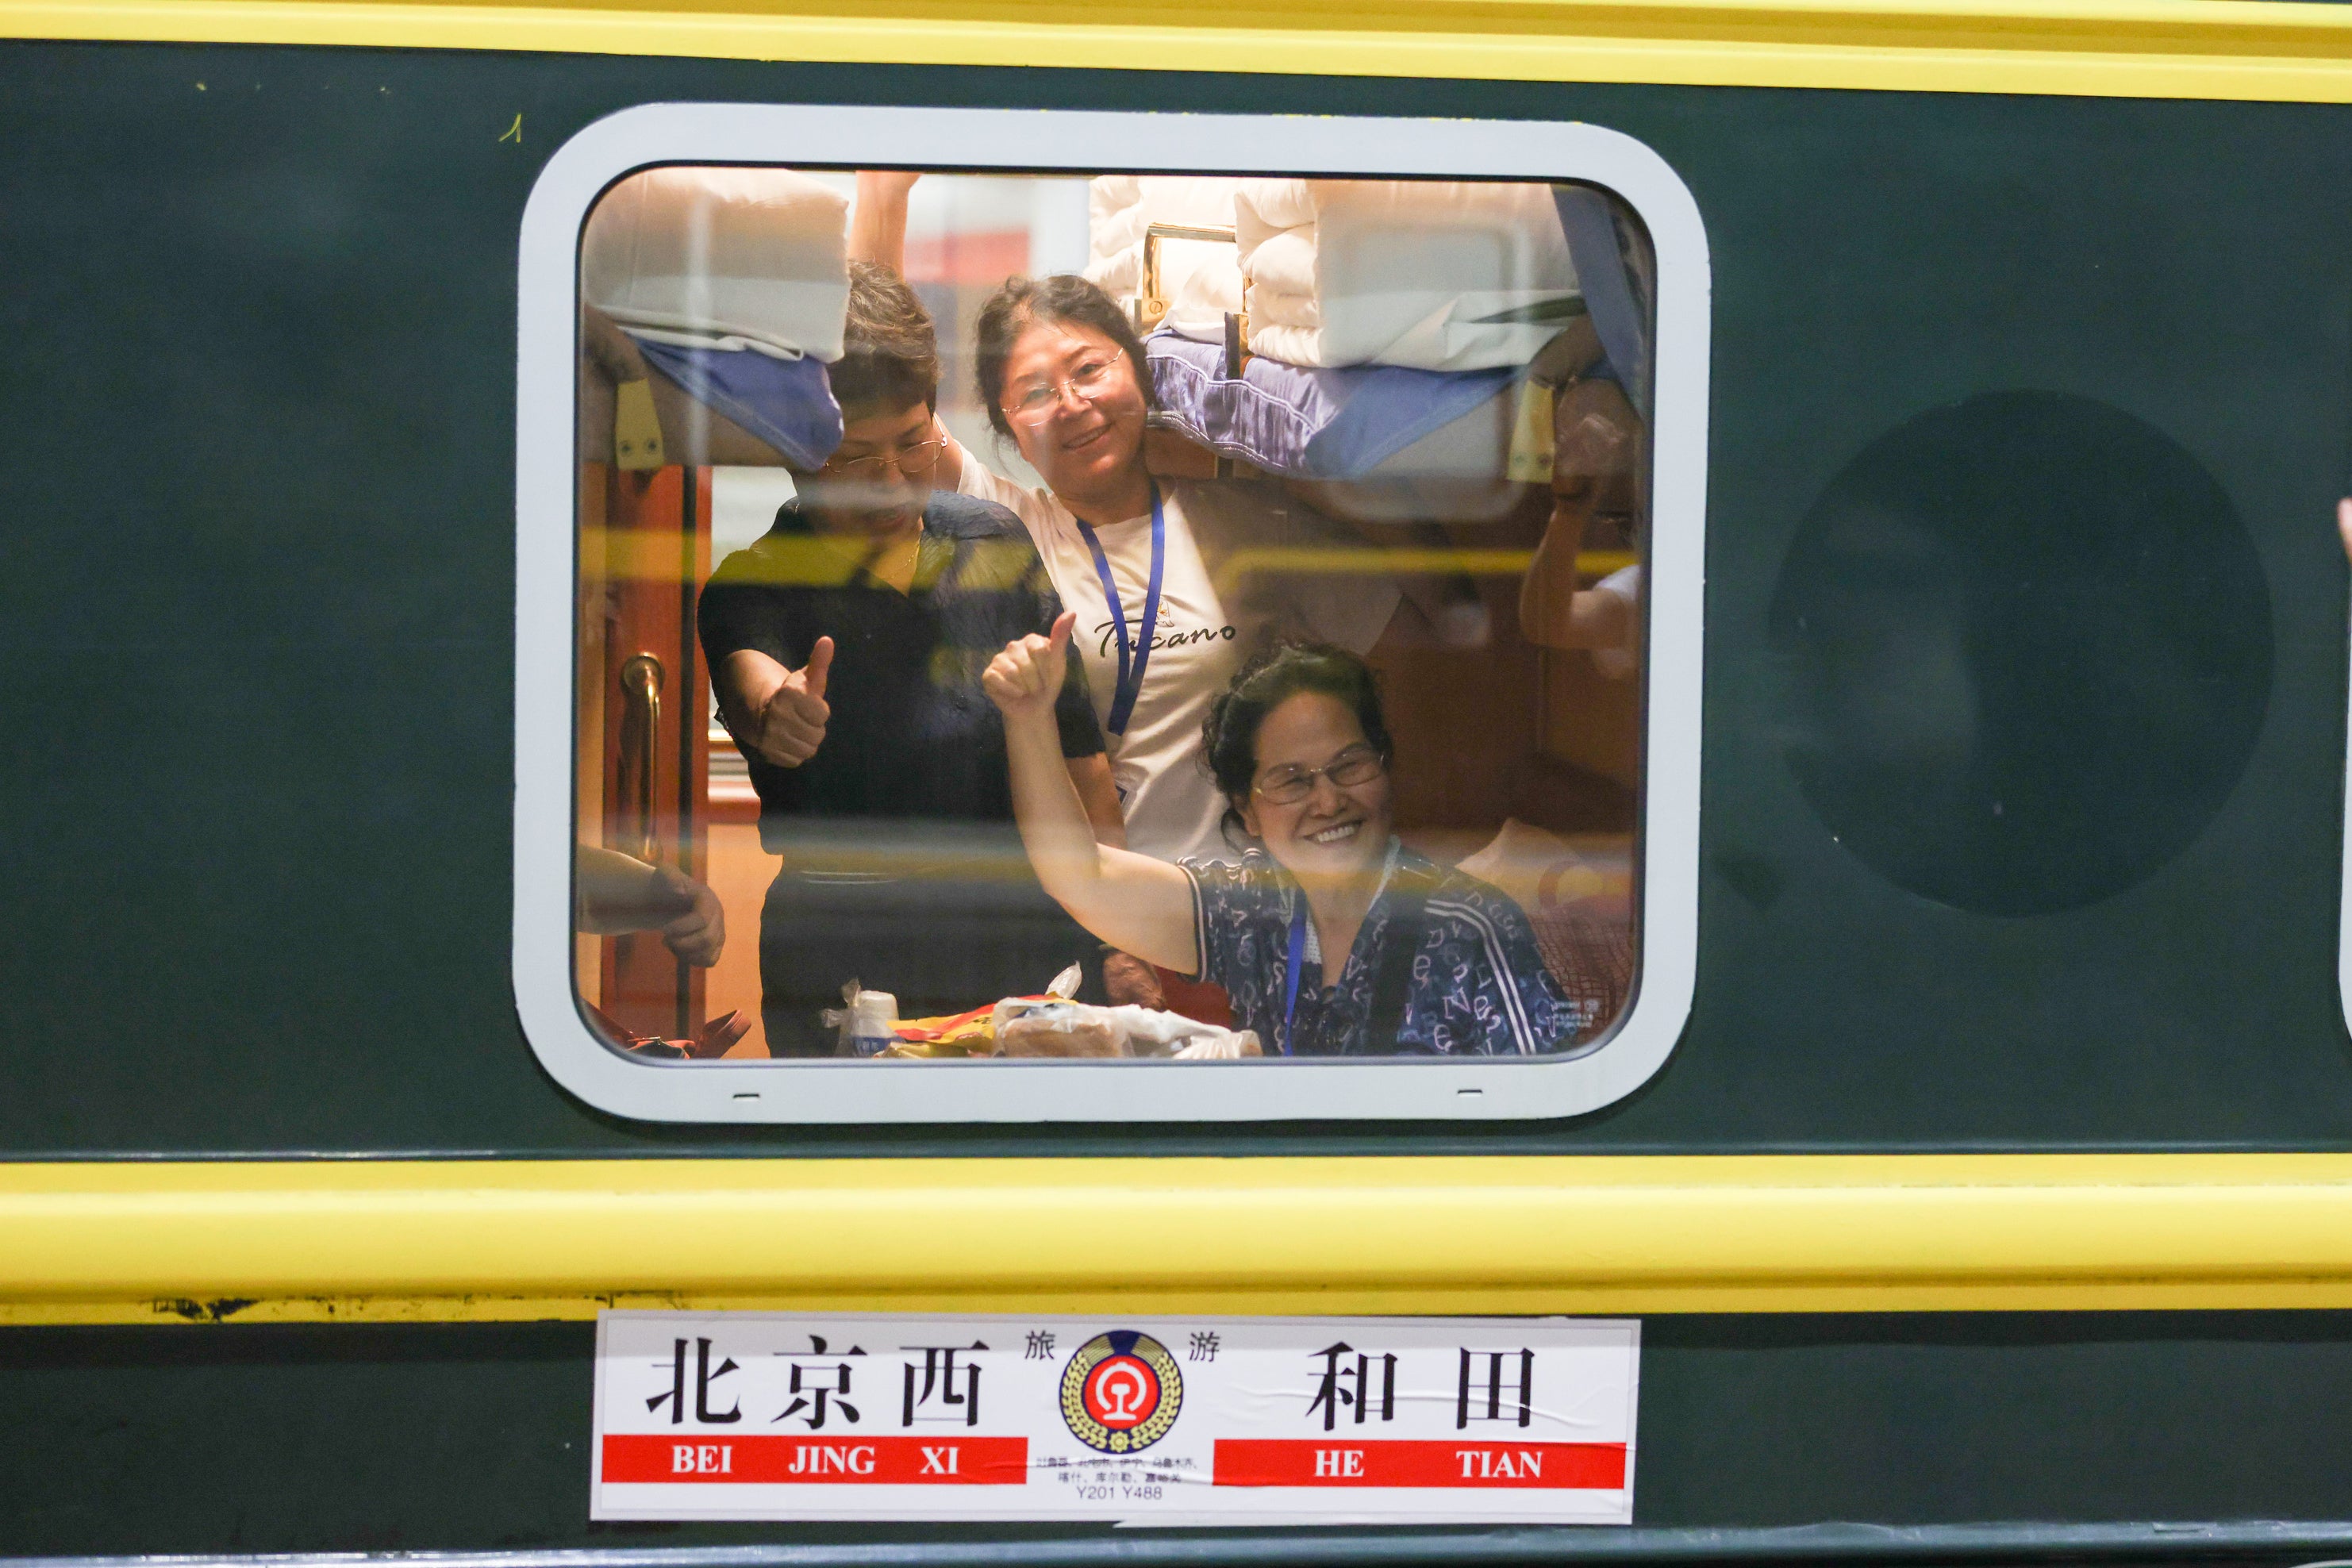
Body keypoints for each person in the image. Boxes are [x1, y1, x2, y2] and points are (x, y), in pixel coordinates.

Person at [848, 174, 1403, 867]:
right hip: (1086, 906)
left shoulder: (1246, 523)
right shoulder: (1001, 528)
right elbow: (877, 380)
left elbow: (1417, 639)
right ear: (1009, 428)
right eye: (1035, 393)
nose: (1074, 404)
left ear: (1136, 373)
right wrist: (883, 194)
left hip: (1241, 906)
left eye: (1089, 369)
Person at [697, 262, 1121, 1053]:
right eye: (854, 460)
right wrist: (776, 712)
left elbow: (1083, 763)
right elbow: (753, 679)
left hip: (1016, 937)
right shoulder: (754, 583)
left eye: (912, 443)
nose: (891, 484)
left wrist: (1121, 938)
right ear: (796, 449)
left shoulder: (992, 539)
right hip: (841, 953)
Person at [982, 632, 1587, 1055]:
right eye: (1292, 780)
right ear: (1247, 809)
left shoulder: (1471, 927)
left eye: (1349, 766)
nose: (1327, 801)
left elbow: (1555, 1126)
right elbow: (1081, 878)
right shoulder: (1258, 911)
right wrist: (1030, 719)